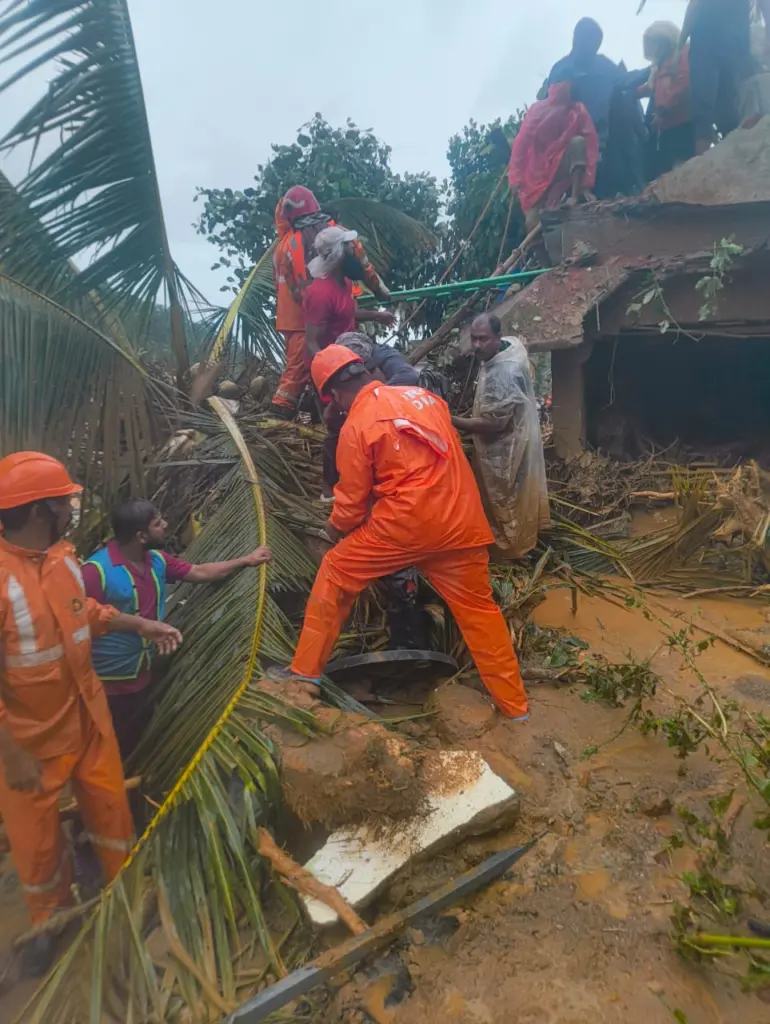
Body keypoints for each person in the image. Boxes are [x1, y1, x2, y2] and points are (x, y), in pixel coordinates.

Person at [274, 346, 530, 722]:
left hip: (403, 528)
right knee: (481, 614)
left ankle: (304, 673)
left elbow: (350, 506)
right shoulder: (429, 399)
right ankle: (516, 709)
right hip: (461, 523)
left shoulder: (356, 424)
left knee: (335, 572)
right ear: (365, 371)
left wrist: (332, 529)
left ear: (335, 394)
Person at [0, 453, 182, 976]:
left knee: (110, 812)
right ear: (41, 511)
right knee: (36, 844)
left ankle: (120, 891)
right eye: (64, 502)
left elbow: (88, 614)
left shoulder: (62, 561)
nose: (71, 509)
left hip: (89, 718)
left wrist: (141, 626)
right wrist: (10, 750)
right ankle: (49, 921)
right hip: (28, 741)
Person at [82, 499, 271, 761]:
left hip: (143, 679)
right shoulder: (96, 572)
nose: (166, 525)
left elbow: (200, 572)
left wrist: (246, 560)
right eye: (158, 524)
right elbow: (76, 620)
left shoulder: (156, 560)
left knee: (137, 749)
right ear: (141, 536)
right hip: (105, 687)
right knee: (105, 755)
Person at [270, 186, 391, 418]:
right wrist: (379, 290)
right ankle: (281, 418)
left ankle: (308, 411)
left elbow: (288, 286)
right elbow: (364, 265)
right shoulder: (336, 236)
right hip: (318, 320)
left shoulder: (285, 246)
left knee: (301, 372)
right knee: (304, 373)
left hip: (299, 318)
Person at [452, 315, 550, 560]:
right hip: (512, 443)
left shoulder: (503, 371)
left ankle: (511, 554)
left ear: (497, 336)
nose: (476, 345)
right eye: (473, 339)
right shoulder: (506, 352)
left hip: (506, 449)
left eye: (483, 339)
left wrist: (450, 419)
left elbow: (494, 423)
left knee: (505, 501)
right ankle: (516, 548)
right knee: (508, 500)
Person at [508, 81, 599, 232]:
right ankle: (541, 250)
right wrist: (515, 178)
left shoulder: (577, 110)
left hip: (559, 162)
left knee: (577, 143)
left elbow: (590, 145)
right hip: (536, 171)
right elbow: (521, 143)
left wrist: (586, 184)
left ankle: (574, 197)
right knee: (532, 221)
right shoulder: (538, 110)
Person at [681, 0, 770, 155]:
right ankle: (705, 156)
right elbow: (694, 6)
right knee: (709, 101)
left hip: (725, 41)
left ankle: (729, 150)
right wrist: (680, 44)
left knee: (728, 101)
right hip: (713, 39)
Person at [303, 226, 396, 369]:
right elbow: (311, 342)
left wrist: (378, 315)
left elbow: (347, 311)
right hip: (337, 366)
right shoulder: (320, 294)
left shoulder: (345, 282)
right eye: (349, 247)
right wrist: (336, 372)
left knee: (393, 359)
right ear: (339, 254)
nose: (354, 252)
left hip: (350, 354)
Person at [640, 22, 695, 178]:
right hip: (664, 127)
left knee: (683, 170)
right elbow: (651, 88)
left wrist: (663, 109)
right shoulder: (661, 65)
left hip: (682, 123)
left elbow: (683, 84)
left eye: (653, 43)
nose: (652, 49)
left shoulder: (682, 54)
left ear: (663, 39)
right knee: (663, 173)